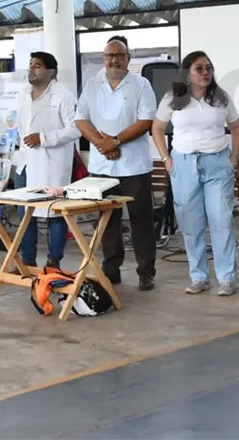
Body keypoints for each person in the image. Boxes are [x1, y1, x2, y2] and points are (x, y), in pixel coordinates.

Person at [151, 51, 239, 295]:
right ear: (187, 73)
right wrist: (166, 160)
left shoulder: (221, 98)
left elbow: (237, 128)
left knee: (221, 220)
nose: (206, 73)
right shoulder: (173, 97)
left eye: (209, 68)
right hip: (183, 164)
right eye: (199, 68)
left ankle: (226, 279)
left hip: (217, 163)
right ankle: (199, 276)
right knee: (191, 224)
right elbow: (157, 128)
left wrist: (233, 158)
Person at [76, 36, 158, 291]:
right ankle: (112, 269)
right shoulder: (92, 84)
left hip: (134, 166)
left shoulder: (141, 84)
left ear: (128, 59)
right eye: (110, 56)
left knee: (141, 221)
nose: (114, 60)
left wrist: (116, 141)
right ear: (104, 58)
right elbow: (80, 120)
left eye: (119, 56)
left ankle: (146, 272)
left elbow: (145, 121)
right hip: (102, 167)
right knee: (107, 222)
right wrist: (102, 144)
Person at [14, 52, 80, 270]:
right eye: (30, 65)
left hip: (52, 163)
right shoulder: (23, 95)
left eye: (37, 66)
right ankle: (28, 260)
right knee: (26, 213)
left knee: (55, 213)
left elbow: (75, 129)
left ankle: (53, 262)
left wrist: (43, 138)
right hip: (25, 161)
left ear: (50, 71)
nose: (31, 69)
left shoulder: (63, 96)